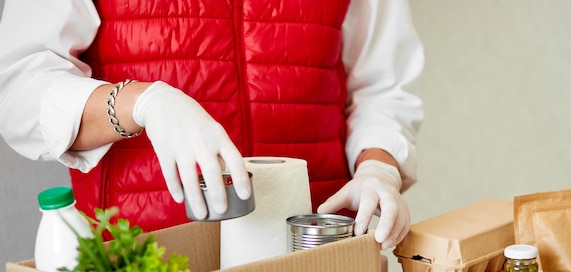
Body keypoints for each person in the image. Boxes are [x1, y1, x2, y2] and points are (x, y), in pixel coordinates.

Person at [0, 0, 423, 251]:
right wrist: (142, 103)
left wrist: (378, 168)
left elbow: (383, 85)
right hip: (146, 266)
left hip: (317, 256)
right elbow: (19, 90)